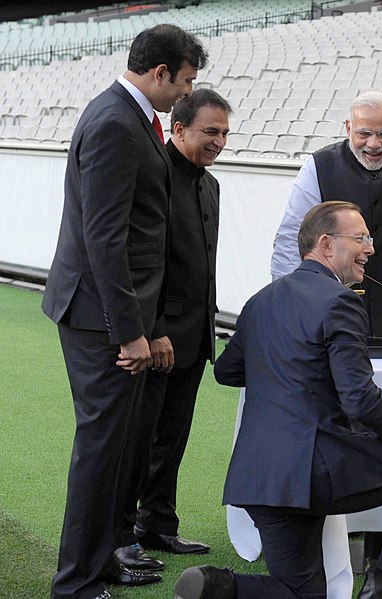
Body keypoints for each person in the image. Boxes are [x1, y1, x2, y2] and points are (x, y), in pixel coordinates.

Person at [175, 201, 382, 599]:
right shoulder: (341, 300)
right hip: (314, 473)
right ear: (326, 244)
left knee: (301, 593)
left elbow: (227, 372)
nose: (371, 248)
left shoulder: (260, 300)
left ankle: (217, 587)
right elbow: (360, 399)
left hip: (259, 477)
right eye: (361, 238)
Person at [42, 24, 207, 599]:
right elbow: (105, 239)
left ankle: (105, 555)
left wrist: (147, 326)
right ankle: (77, 582)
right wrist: (131, 332)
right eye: (186, 81)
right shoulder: (115, 122)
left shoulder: (131, 118)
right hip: (99, 318)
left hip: (110, 313)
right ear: (161, 72)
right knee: (102, 448)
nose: (187, 92)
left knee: (120, 447)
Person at [113, 89, 231, 568]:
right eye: (210, 132)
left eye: (224, 133)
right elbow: (140, 261)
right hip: (154, 338)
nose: (219, 141)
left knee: (173, 438)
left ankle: (158, 525)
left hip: (194, 336)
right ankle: (120, 537)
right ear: (178, 129)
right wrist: (153, 327)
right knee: (135, 443)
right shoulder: (153, 177)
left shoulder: (211, 185)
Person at [270, 91, 382, 338]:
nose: (374, 144)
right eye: (364, 133)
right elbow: (292, 240)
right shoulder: (318, 166)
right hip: (328, 315)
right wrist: (289, 307)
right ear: (348, 128)